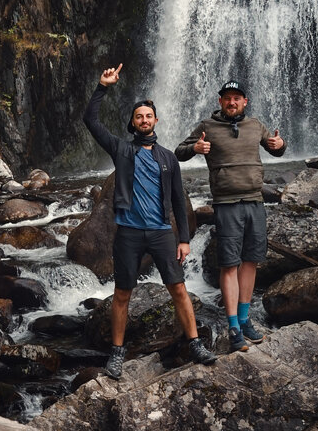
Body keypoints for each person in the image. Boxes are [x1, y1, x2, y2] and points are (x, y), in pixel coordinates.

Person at [83, 63, 217, 378]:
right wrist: (103, 87)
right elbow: (90, 120)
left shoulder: (169, 158)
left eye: (148, 116)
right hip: (128, 234)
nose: (144, 120)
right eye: (138, 116)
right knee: (121, 294)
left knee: (179, 289)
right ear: (133, 123)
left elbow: (177, 201)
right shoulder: (121, 150)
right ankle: (117, 354)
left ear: (156, 120)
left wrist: (184, 239)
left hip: (161, 234)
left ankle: (195, 344)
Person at [176, 80, 285, 352]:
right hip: (226, 204)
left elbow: (276, 148)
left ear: (244, 102)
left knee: (251, 262)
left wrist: (280, 144)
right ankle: (234, 325)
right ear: (220, 102)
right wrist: (195, 149)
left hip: (255, 202)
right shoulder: (207, 127)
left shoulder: (256, 125)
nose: (232, 102)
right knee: (229, 265)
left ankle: (246, 319)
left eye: (237, 98)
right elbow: (180, 152)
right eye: (227, 98)